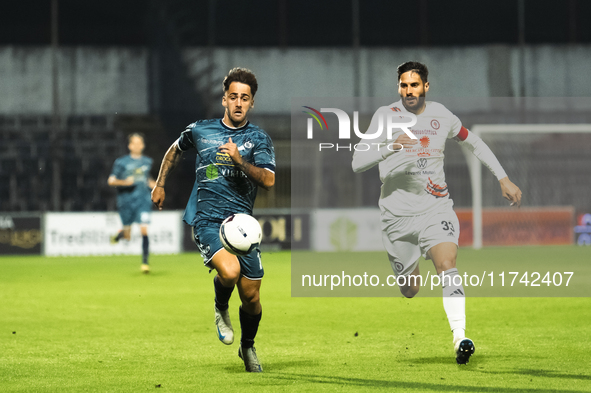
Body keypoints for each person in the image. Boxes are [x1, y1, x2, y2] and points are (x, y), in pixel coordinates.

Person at [352, 61, 522, 364]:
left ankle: (460, 337)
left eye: (414, 85)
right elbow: (357, 162)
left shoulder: (442, 115)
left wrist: (502, 177)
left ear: (425, 87)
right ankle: (408, 273)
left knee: (447, 264)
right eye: (404, 85)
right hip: (396, 216)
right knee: (410, 289)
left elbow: (475, 142)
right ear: (399, 87)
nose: (409, 91)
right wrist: (390, 146)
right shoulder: (384, 117)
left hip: (435, 208)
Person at [151, 67, 275, 373]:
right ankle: (220, 308)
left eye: (244, 98)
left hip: (242, 228)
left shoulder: (258, 138)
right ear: (224, 99)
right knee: (230, 272)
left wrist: (240, 161)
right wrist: (160, 183)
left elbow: (269, 180)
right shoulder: (200, 130)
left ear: (251, 104)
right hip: (207, 221)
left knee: (252, 297)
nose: (238, 103)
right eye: (233, 96)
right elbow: (174, 151)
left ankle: (247, 347)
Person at [108, 133, 156, 274]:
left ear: (143, 145)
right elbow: (111, 181)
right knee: (128, 236)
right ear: (129, 146)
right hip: (126, 201)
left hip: (143, 201)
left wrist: (157, 187)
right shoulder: (121, 162)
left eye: (139, 143)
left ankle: (145, 263)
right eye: (134, 143)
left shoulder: (147, 162)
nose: (137, 146)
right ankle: (119, 235)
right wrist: (124, 182)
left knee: (144, 230)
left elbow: (148, 179)